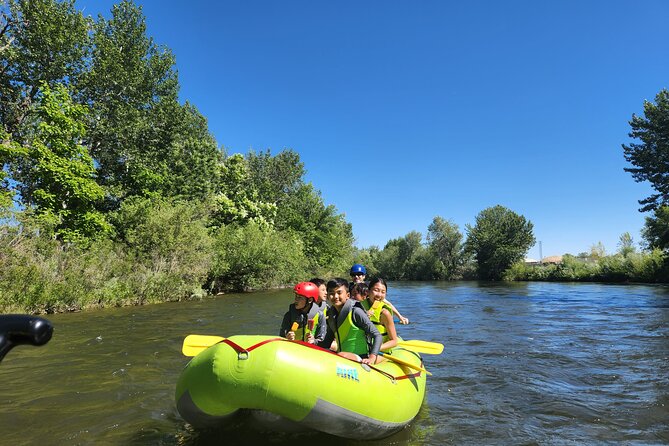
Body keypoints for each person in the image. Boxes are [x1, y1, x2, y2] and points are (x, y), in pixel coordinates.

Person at [318, 278, 382, 365]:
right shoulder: (331, 316)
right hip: (342, 358)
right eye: (332, 294)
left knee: (341, 355)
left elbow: (377, 335)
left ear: (348, 295)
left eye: (339, 293)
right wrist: (312, 342)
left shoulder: (356, 312)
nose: (336, 296)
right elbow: (326, 343)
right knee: (339, 354)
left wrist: (372, 357)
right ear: (328, 297)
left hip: (361, 358)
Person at [360, 278, 398, 354]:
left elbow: (394, 341)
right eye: (376, 290)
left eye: (383, 292)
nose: (379, 295)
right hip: (361, 348)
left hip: (380, 352)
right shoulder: (359, 307)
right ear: (368, 291)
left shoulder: (385, 313)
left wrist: (376, 348)